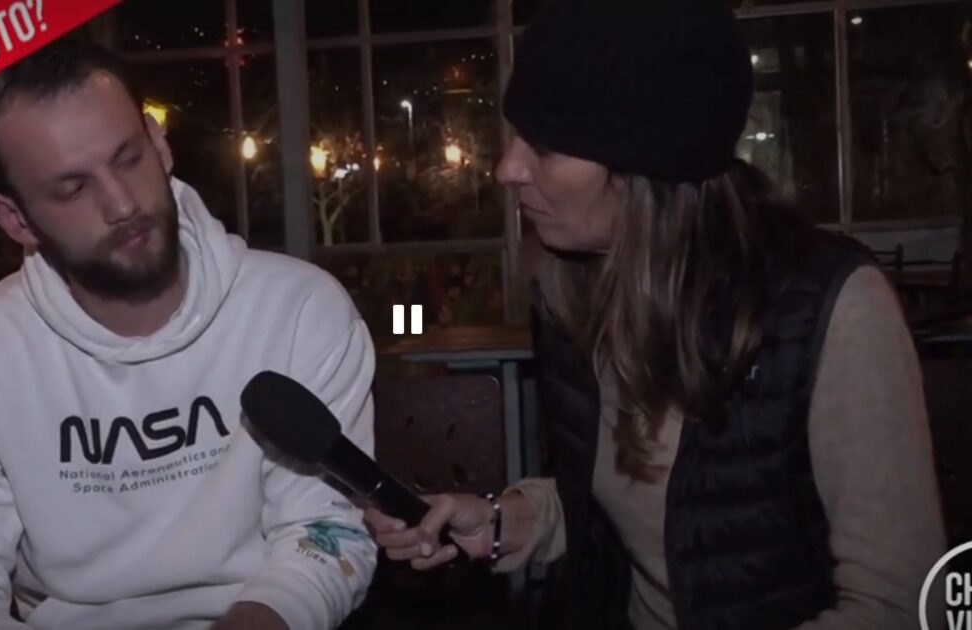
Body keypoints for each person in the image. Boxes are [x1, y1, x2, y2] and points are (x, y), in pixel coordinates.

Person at [365, 1, 947, 628]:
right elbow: (638, 508)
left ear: (647, 165)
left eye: (546, 147)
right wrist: (510, 519)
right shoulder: (576, 290)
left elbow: (901, 607)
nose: (506, 168)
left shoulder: (837, 308)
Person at [0, 39, 377, 630]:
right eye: (74, 188)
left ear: (159, 143)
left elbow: (326, 531)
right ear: (15, 219)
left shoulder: (297, 309)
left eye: (128, 158)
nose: (121, 204)